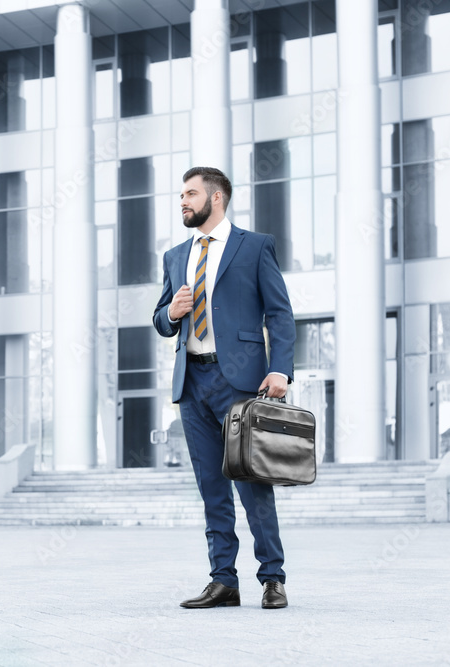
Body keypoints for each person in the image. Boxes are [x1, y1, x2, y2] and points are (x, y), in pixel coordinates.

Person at [152, 166, 295, 610]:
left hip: (239, 382)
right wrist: (172, 313)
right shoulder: (175, 256)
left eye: (190, 194)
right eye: (181, 195)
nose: (183, 201)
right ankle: (223, 580)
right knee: (211, 487)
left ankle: (272, 578)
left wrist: (280, 369)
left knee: (253, 485)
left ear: (216, 198)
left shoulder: (254, 247)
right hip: (192, 382)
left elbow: (280, 314)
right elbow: (160, 319)